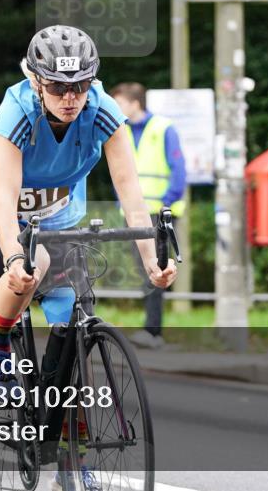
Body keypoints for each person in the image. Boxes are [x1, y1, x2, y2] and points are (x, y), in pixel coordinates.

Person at [0, 25, 176, 491]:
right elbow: (5, 201)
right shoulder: (16, 112)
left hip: (61, 228)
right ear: (36, 81)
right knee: (32, 263)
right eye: (58, 87)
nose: (70, 97)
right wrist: (14, 258)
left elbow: (130, 192)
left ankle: (70, 463)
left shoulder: (102, 111)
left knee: (73, 350)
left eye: (79, 85)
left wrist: (151, 259)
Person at [109, 83, 187, 350]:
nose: (116, 108)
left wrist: (167, 203)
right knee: (145, 270)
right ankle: (151, 330)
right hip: (133, 213)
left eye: (120, 103)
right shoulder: (121, 130)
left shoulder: (163, 128)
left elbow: (179, 169)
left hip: (158, 212)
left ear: (135, 103)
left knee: (155, 269)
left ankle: (153, 331)